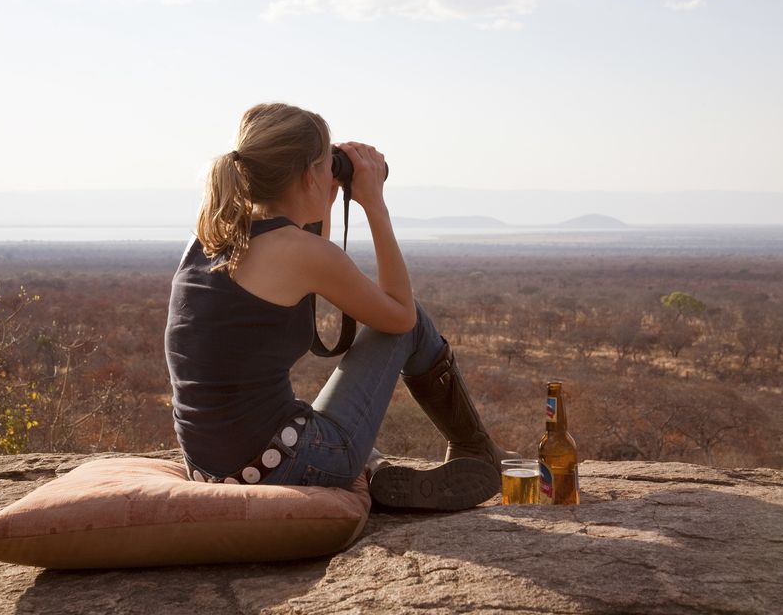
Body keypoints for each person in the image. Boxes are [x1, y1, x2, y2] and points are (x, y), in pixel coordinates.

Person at [164, 103, 518, 510]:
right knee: (414, 318)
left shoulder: (210, 236)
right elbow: (399, 316)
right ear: (306, 175)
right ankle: (474, 449)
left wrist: (324, 198)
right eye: (325, 164)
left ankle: (377, 472)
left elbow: (311, 256)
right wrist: (374, 204)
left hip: (213, 468)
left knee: (322, 422)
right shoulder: (298, 252)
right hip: (284, 466)